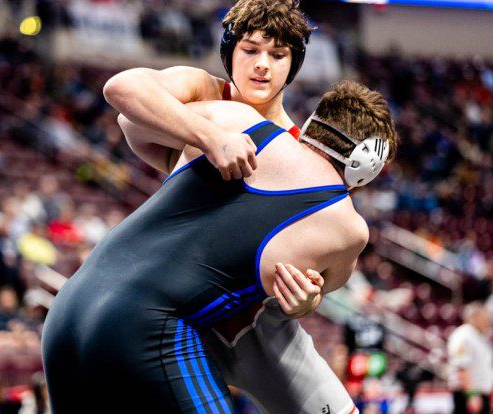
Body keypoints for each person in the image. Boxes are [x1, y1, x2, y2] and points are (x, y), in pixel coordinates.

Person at [42, 79, 398, 412]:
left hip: (66, 310)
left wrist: (206, 130)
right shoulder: (348, 227)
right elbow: (314, 292)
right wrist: (308, 302)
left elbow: (129, 116)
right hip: (146, 327)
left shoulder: (235, 118)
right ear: (367, 167)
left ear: (311, 125)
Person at [105, 0, 367, 412]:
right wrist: (210, 136)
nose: (262, 65)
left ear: (292, 65)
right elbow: (123, 95)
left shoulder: (300, 153)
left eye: (278, 55)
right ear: (230, 53)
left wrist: (308, 300)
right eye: (250, 50)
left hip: (253, 323)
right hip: (182, 307)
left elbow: (326, 262)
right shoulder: (203, 91)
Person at [447, 302, 492, 414]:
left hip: (480, 394)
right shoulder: (463, 336)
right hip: (468, 394)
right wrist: (471, 395)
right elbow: (462, 368)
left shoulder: (479, 337)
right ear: (474, 316)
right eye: (485, 318)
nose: (488, 321)